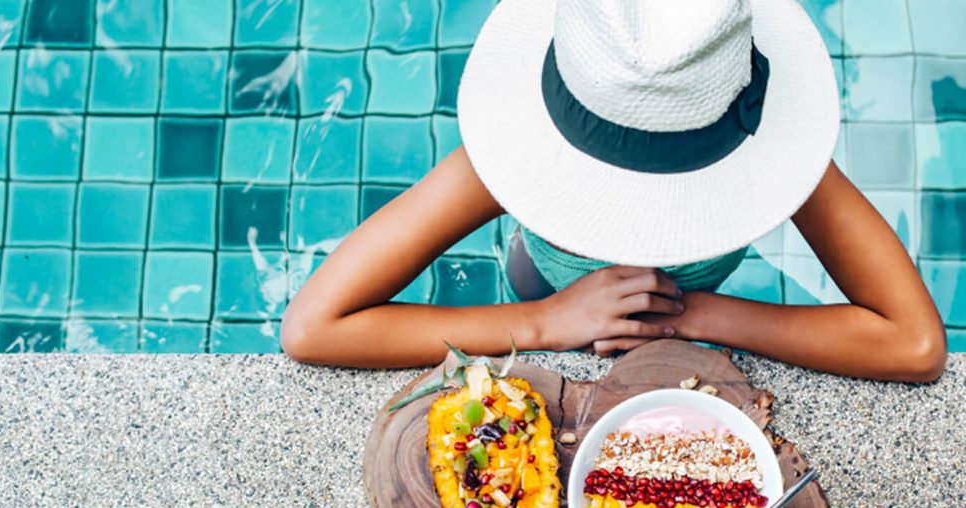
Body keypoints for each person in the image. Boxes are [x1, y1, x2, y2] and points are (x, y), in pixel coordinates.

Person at [283, 0, 946, 382]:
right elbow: (313, 325)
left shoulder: (766, 132)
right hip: (549, 288)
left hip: (680, 304)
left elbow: (916, 345)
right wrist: (546, 321)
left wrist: (694, 316)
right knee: (529, 275)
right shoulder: (497, 165)